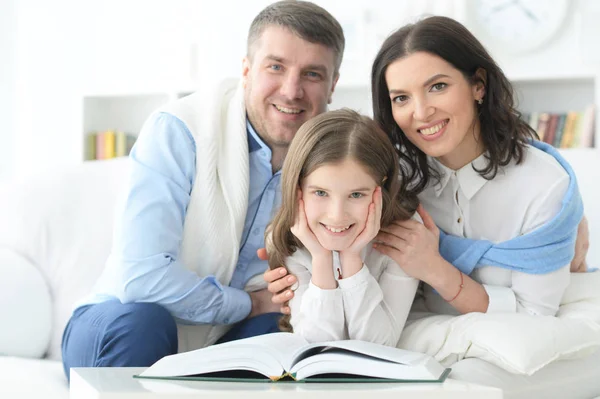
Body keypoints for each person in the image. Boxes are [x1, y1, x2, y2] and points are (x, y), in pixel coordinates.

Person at [60, 0, 344, 381]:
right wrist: (247, 303)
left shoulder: (336, 163)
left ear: (332, 85)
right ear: (246, 70)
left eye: (311, 74)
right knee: (144, 322)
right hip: (120, 317)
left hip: (231, 336)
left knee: (284, 338)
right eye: (275, 67)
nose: (291, 91)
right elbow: (141, 277)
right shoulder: (178, 130)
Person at [265, 15, 590, 317]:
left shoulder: (543, 186)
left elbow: (533, 315)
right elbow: (326, 230)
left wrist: (434, 268)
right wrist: (292, 274)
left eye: (438, 86)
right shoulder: (393, 178)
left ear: (479, 85)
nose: (421, 112)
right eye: (401, 98)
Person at [266, 108, 418, 346]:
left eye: (356, 194)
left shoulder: (404, 239)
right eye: (320, 193)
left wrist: (351, 259)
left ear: (381, 188)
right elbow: (316, 346)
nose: (337, 216)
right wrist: (321, 259)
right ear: (298, 190)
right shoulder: (293, 237)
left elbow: (379, 346)